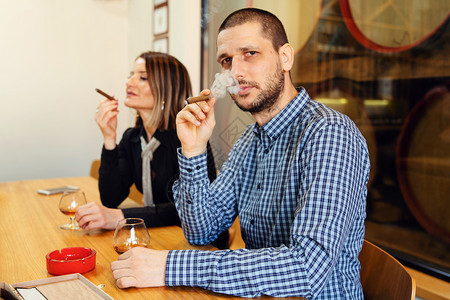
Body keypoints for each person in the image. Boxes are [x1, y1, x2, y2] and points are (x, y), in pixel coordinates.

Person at [110, 8, 370, 299]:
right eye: (226, 60)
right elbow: (201, 231)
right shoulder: (248, 140)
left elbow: (306, 269)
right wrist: (193, 150)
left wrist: (171, 266)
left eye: (250, 53)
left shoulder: (330, 133)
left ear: (285, 57)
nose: (236, 72)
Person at [75, 51, 227, 248]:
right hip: (158, 235)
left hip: (199, 246)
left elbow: (184, 210)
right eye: (132, 74)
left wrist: (120, 216)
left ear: (166, 89)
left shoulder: (188, 138)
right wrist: (109, 138)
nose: (130, 82)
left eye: (143, 77)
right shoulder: (132, 138)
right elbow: (111, 197)